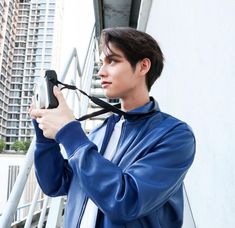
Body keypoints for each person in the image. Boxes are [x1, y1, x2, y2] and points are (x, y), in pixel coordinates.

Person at [29, 27, 196, 228]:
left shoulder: (175, 135)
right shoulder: (99, 132)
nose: (101, 71)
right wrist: (44, 135)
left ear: (143, 66)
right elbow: (56, 184)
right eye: (101, 63)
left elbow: (127, 201)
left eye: (112, 61)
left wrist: (69, 132)